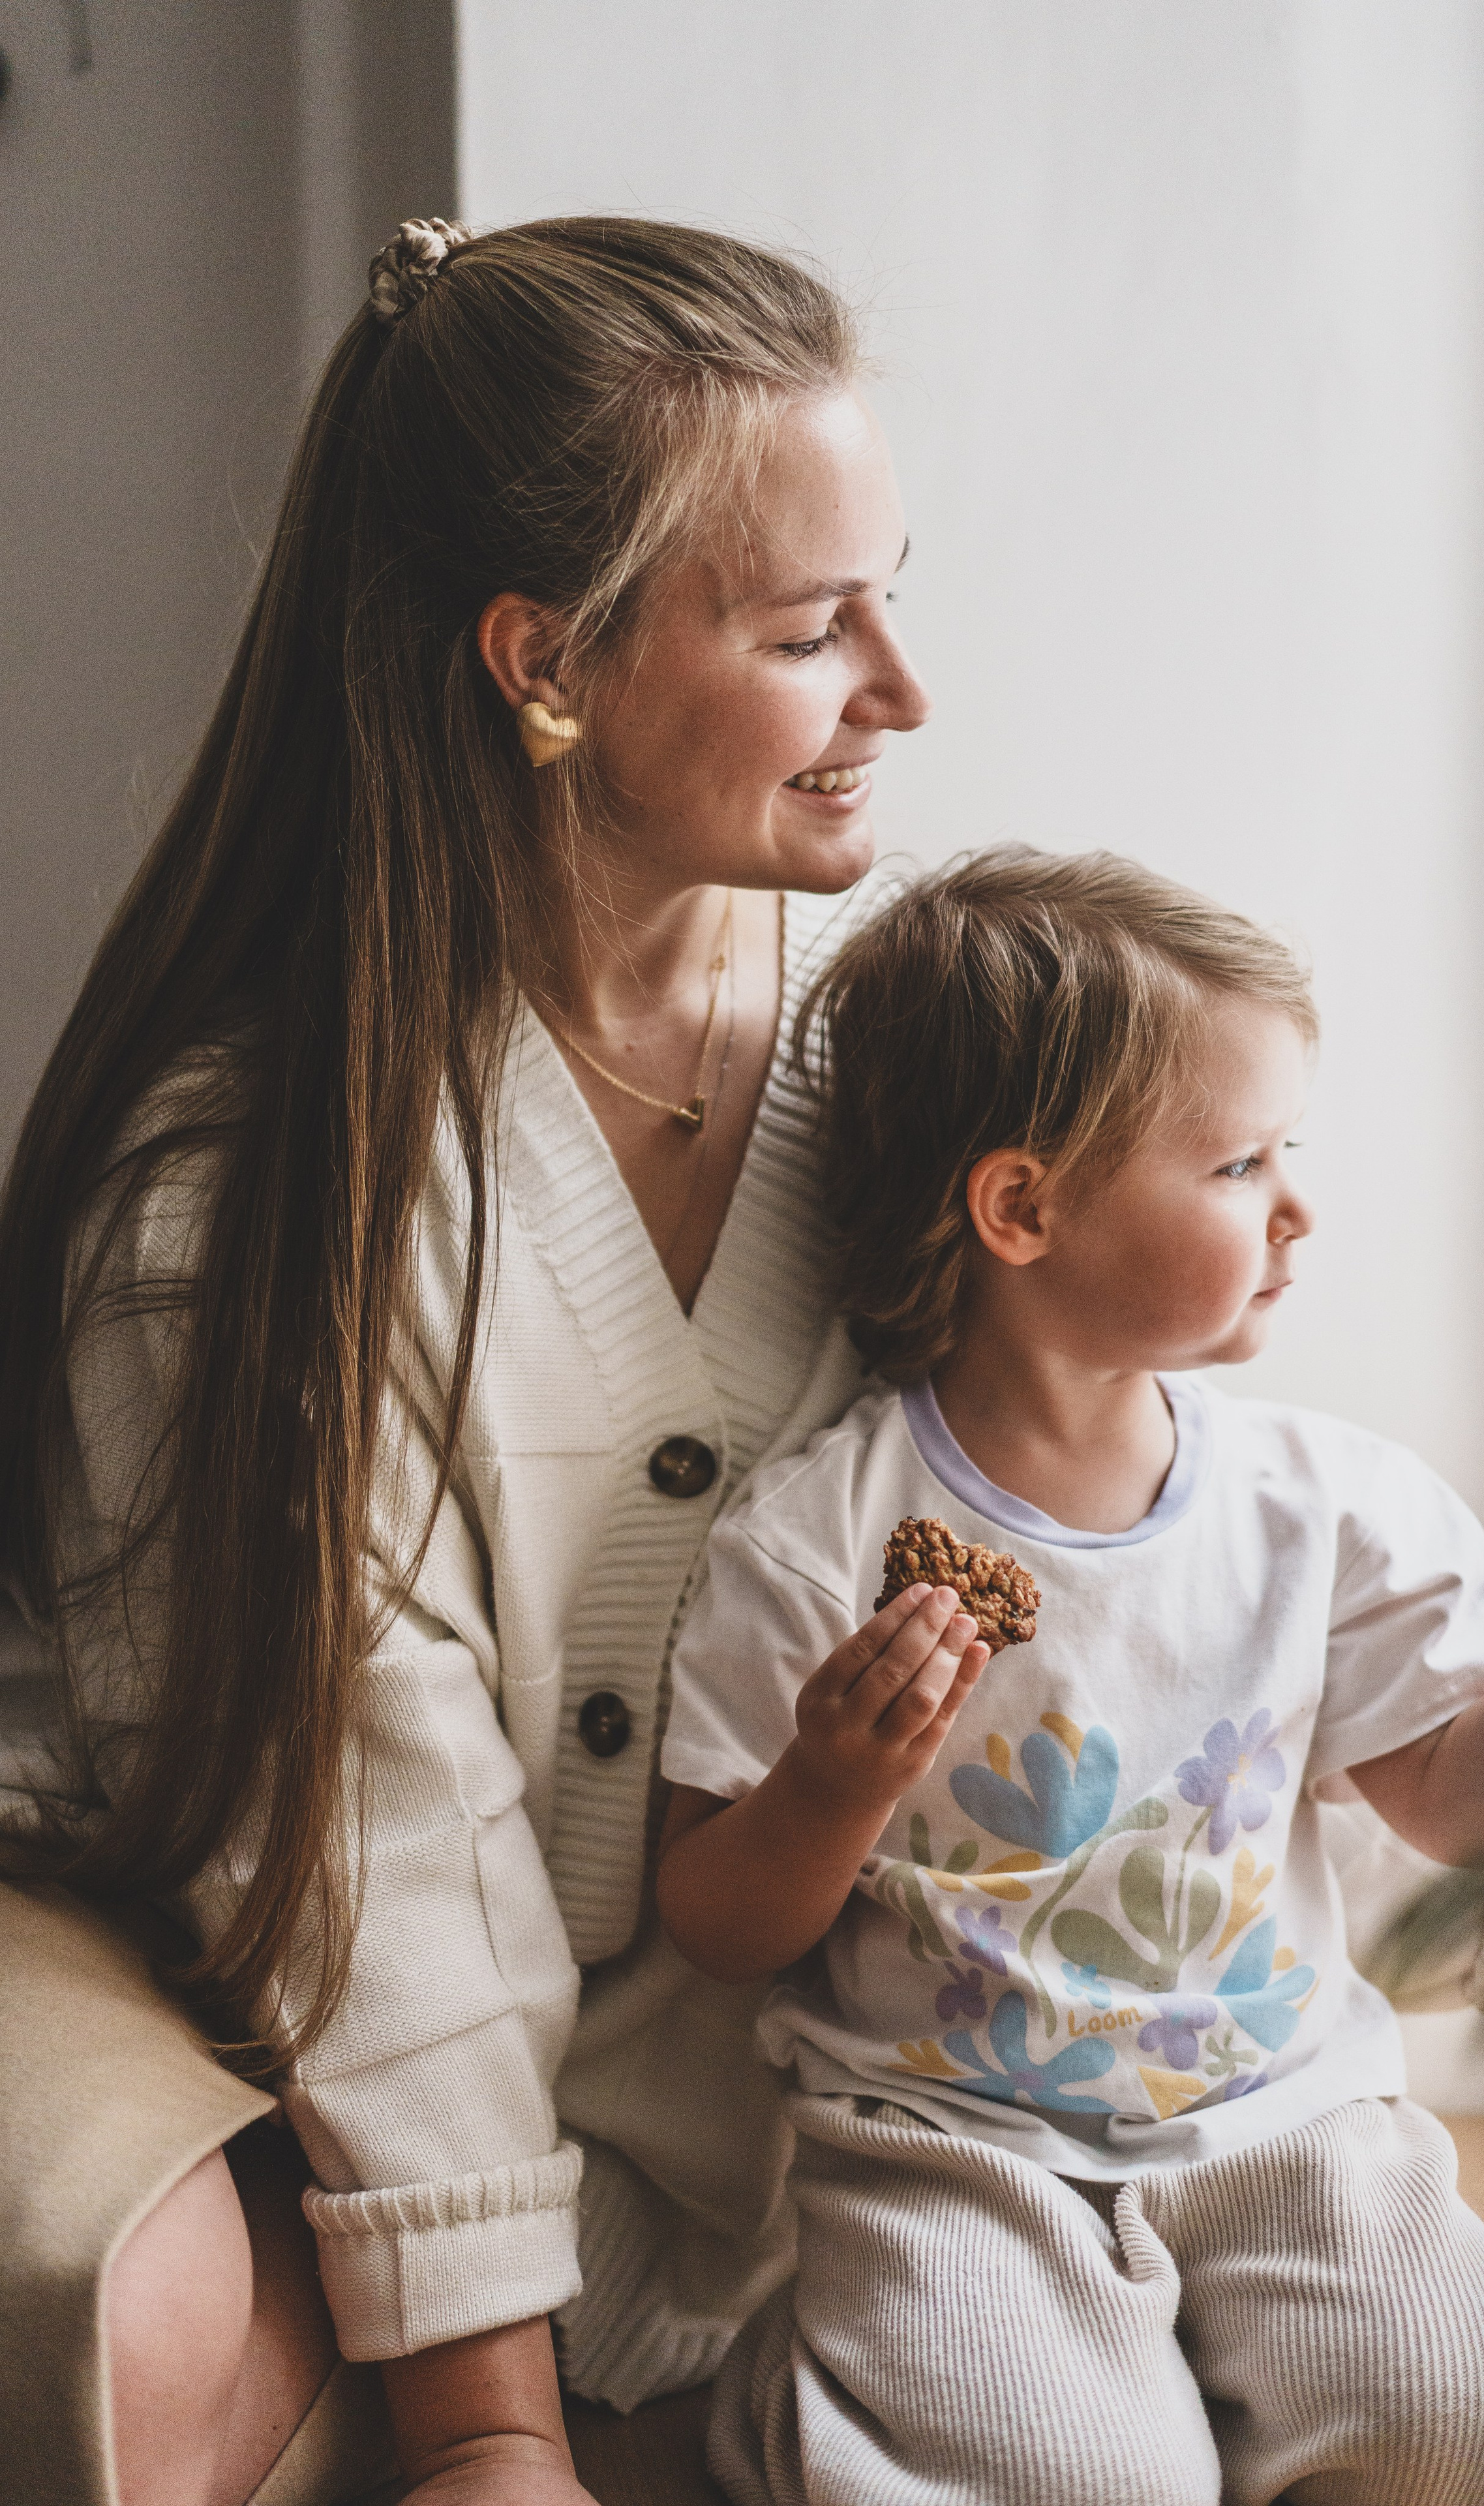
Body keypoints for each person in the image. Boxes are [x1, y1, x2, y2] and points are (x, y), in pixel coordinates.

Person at [0, 215, 928, 2506]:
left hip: (716, 2032)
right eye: (810, 630)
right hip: (236, 1956)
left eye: (890, 597)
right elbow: (362, 1841)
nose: (903, 691)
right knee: (130, 2326)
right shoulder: (242, 1196)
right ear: (547, 664)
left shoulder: (907, 1077)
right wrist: (488, 2418)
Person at [657, 849, 1484, 2506]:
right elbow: (715, 1925)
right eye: (1236, 1163)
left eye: (1287, 1151)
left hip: (1291, 2123)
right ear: (1019, 1208)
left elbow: (1451, 1809)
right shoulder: (821, 1543)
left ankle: (1201, 2379)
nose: (1295, 1208)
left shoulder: (1322, 1507)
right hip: (953, 2151)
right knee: (1074, 2482)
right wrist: (829, 1786)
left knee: (1469, 2419)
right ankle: (811, 2398)